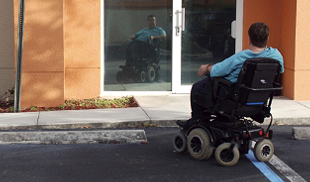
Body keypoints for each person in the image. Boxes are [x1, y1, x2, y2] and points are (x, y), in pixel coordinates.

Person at [177, 22, 284, 128]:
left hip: (235, 97)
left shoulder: (241, 57)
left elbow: (217, 71)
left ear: (249, 39)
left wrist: (206, 68)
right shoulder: (276, 56)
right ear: (267, 38)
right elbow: (280, 71)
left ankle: (197, 121)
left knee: (198, 87)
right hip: (258, 100)